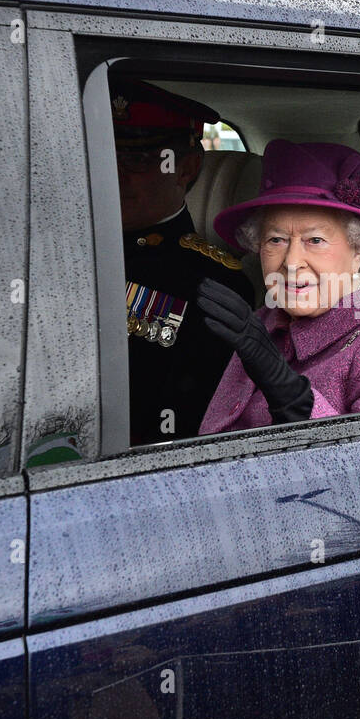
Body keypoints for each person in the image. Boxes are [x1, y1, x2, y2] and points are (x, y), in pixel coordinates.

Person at [196, 140, 360, 434]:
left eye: (315, 240)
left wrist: (291, 394)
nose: (291, 262)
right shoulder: (266, 319)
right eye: (276, 239)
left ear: (358, 251)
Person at [112, 78, 255, 445]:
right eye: (104, 155)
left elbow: (181, 425)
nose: (114, 173)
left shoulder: (210, 281)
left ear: (187, 168)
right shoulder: (66, 247)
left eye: (137, 158)